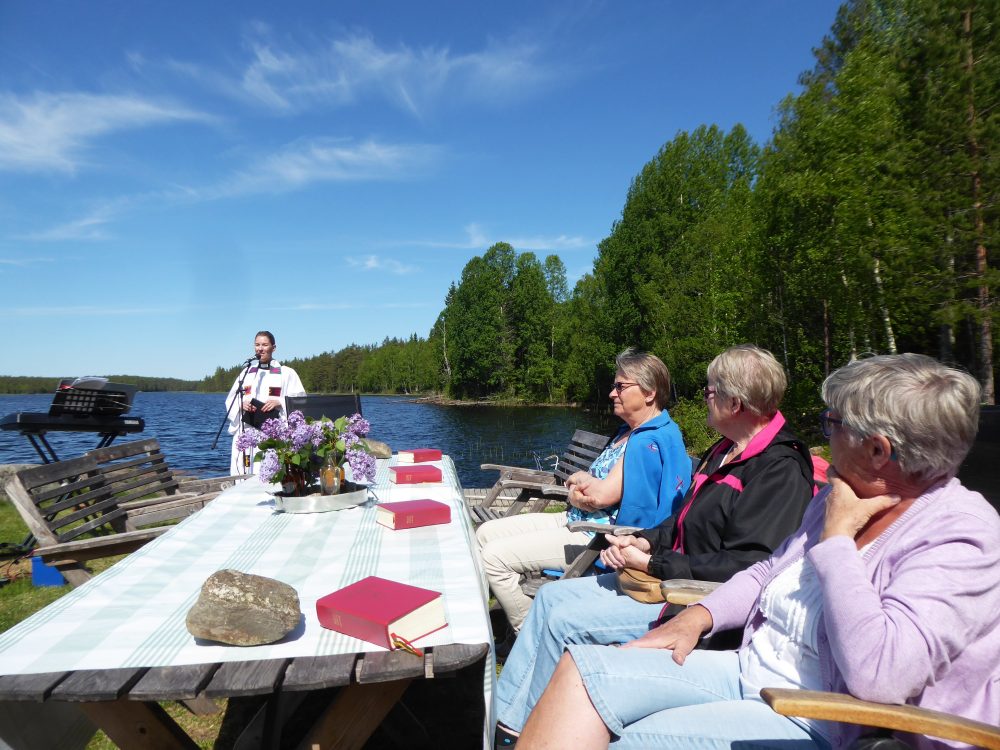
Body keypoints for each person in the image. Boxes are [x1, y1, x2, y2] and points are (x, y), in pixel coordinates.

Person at [518, 353, 1000, 750]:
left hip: (820, 716)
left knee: (637, 741)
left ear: (877, 450)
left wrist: (835, 544)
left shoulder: (961, 534)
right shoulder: (844, 495)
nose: (823, 436)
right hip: (752, 667)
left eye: (831, 422)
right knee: (583, 669)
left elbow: (881, 676)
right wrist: (699, 617)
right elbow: (769, 568)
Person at [494, 344, 817, 745]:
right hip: (664, 578)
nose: (705, 397)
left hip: (690, 599)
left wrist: (656, 563)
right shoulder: (724, 451)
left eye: (711, 391)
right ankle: (510, 724)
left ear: (736, 402)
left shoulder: (778, 468)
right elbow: (682, 519)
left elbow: (749, 564)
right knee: (550, 600)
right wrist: (641, 538)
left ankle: (534, 728)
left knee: (564, 623)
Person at [477, 349, 691, 634]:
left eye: (620, 386)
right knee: (484, 533)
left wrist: (580, 489)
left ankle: (526, 633)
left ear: (649, 393)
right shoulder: (629, 433)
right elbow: (588, 490)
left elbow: (599, 497)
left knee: (494, 558)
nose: (612, 393)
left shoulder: (647, 441)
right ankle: (481, 624)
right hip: (575, 517)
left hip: (594, 535)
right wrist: (580, 491)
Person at [225, 330, 305, 475]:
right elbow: (231, 399)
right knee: (245, 467)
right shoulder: (246, 373)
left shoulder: (286, 373)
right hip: (248, 429)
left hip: (272, 432)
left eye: (264, 344)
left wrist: (279, 401)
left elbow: (300, 400)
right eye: (257, 345)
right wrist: (241, 404)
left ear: (273, 348)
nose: (260, 348)